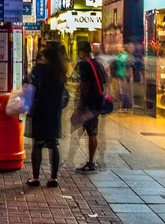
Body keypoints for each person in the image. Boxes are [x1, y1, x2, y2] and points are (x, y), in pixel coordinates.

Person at [26, 43, 67, 188]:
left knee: (37, 144)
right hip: (54, 111)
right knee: (53, 143)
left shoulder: (40, 69)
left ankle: (35, 177)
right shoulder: (60, 71)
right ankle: (53, 178)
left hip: (39, 109)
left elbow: (29, 84)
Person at [73, 41, 108, 173]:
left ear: (82, 51)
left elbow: (84, 85)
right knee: (92, 131)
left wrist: (80, 104)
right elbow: (105, 81)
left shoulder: (84, 65)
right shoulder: (98, 64)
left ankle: (91, 162)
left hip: (89, 103)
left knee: (91, 132)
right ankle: (91, 160)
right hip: (97, 101)